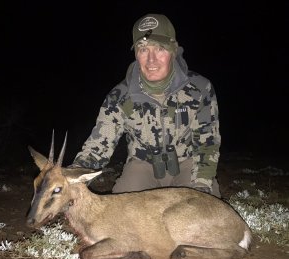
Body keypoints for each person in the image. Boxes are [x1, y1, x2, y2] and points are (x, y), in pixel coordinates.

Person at [70, 13, 221, 198]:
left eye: (159, 49)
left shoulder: (200, 88)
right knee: (120, 218)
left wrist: (202, 188)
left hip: (188, 166)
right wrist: (71, 178)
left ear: (173, 50)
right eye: (143, 49)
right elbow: (98, 146)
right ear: (136, 55)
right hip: (142, 168)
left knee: (200, 214)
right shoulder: (120, 96)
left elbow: (207, 144)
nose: (151, 60)